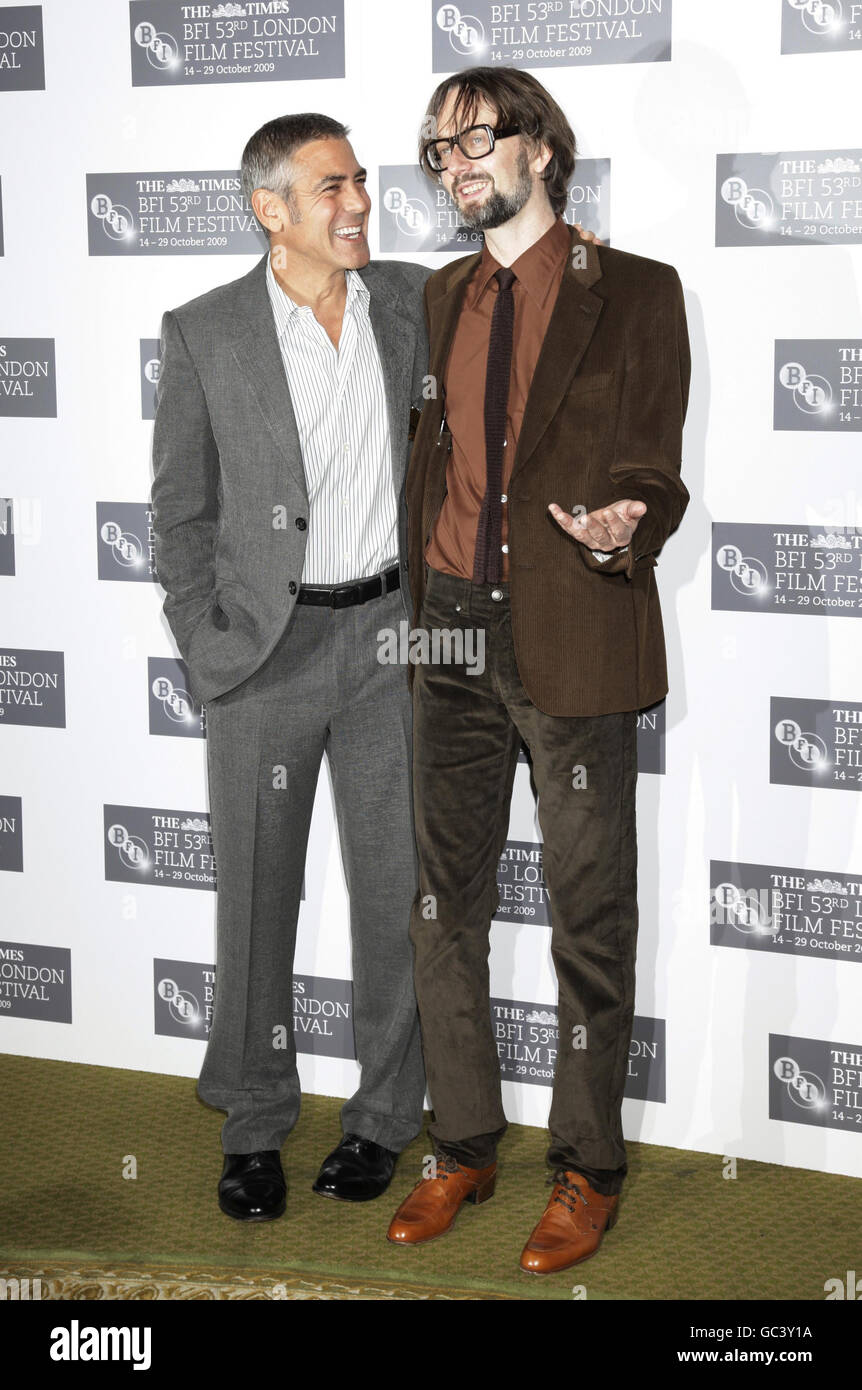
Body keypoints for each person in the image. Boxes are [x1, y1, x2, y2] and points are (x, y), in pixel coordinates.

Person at [387, 66, 691, 1273]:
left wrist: (631, 518)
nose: (456, 165)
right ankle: (458, 1141)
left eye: (475, 140)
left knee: (587, 918)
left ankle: (586, 1169)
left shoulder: (640, 291)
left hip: (571, 624)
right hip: (448, 629)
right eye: (437, 151)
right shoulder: (439, 294)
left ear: (540, 149)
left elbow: (655, 460)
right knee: (440, 908)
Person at [150, 113, 431, 1221]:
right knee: (256, 899)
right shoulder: (204, 332)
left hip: (392, 644)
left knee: (395, 898)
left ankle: (383, 1119)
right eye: (330, 186)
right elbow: (179, 512)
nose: (358, 200)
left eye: (360, 179)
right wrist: (207, 639)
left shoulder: (412, 300)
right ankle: (256, 1120)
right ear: (269, 210)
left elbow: (521, 297)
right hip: (264, 654)